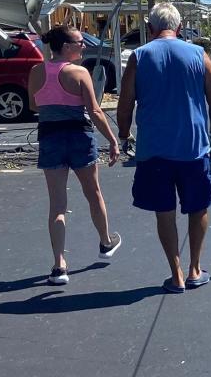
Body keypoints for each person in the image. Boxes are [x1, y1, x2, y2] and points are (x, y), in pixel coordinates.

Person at [116, 2, 211, 294]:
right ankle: (194, 269)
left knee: (164, 212)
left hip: (154, 149)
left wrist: (124, 134)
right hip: (193, 147)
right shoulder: (198, 55)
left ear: (150, 29)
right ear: (179, 27)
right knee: (198, 207)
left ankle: (176, 274)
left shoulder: (139, 56)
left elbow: (125, 102)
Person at [29, 25, 122, 286]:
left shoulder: (37, 72)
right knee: (93, 193)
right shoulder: (79, 72)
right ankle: (105, 241)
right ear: (66, 47)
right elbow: (95, 111)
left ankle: (59, 265)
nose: (83, 46)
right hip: (79, 136)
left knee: (57, 205)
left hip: (50, 137)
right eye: (80, 42)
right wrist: (113, 140)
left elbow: (33, 104)